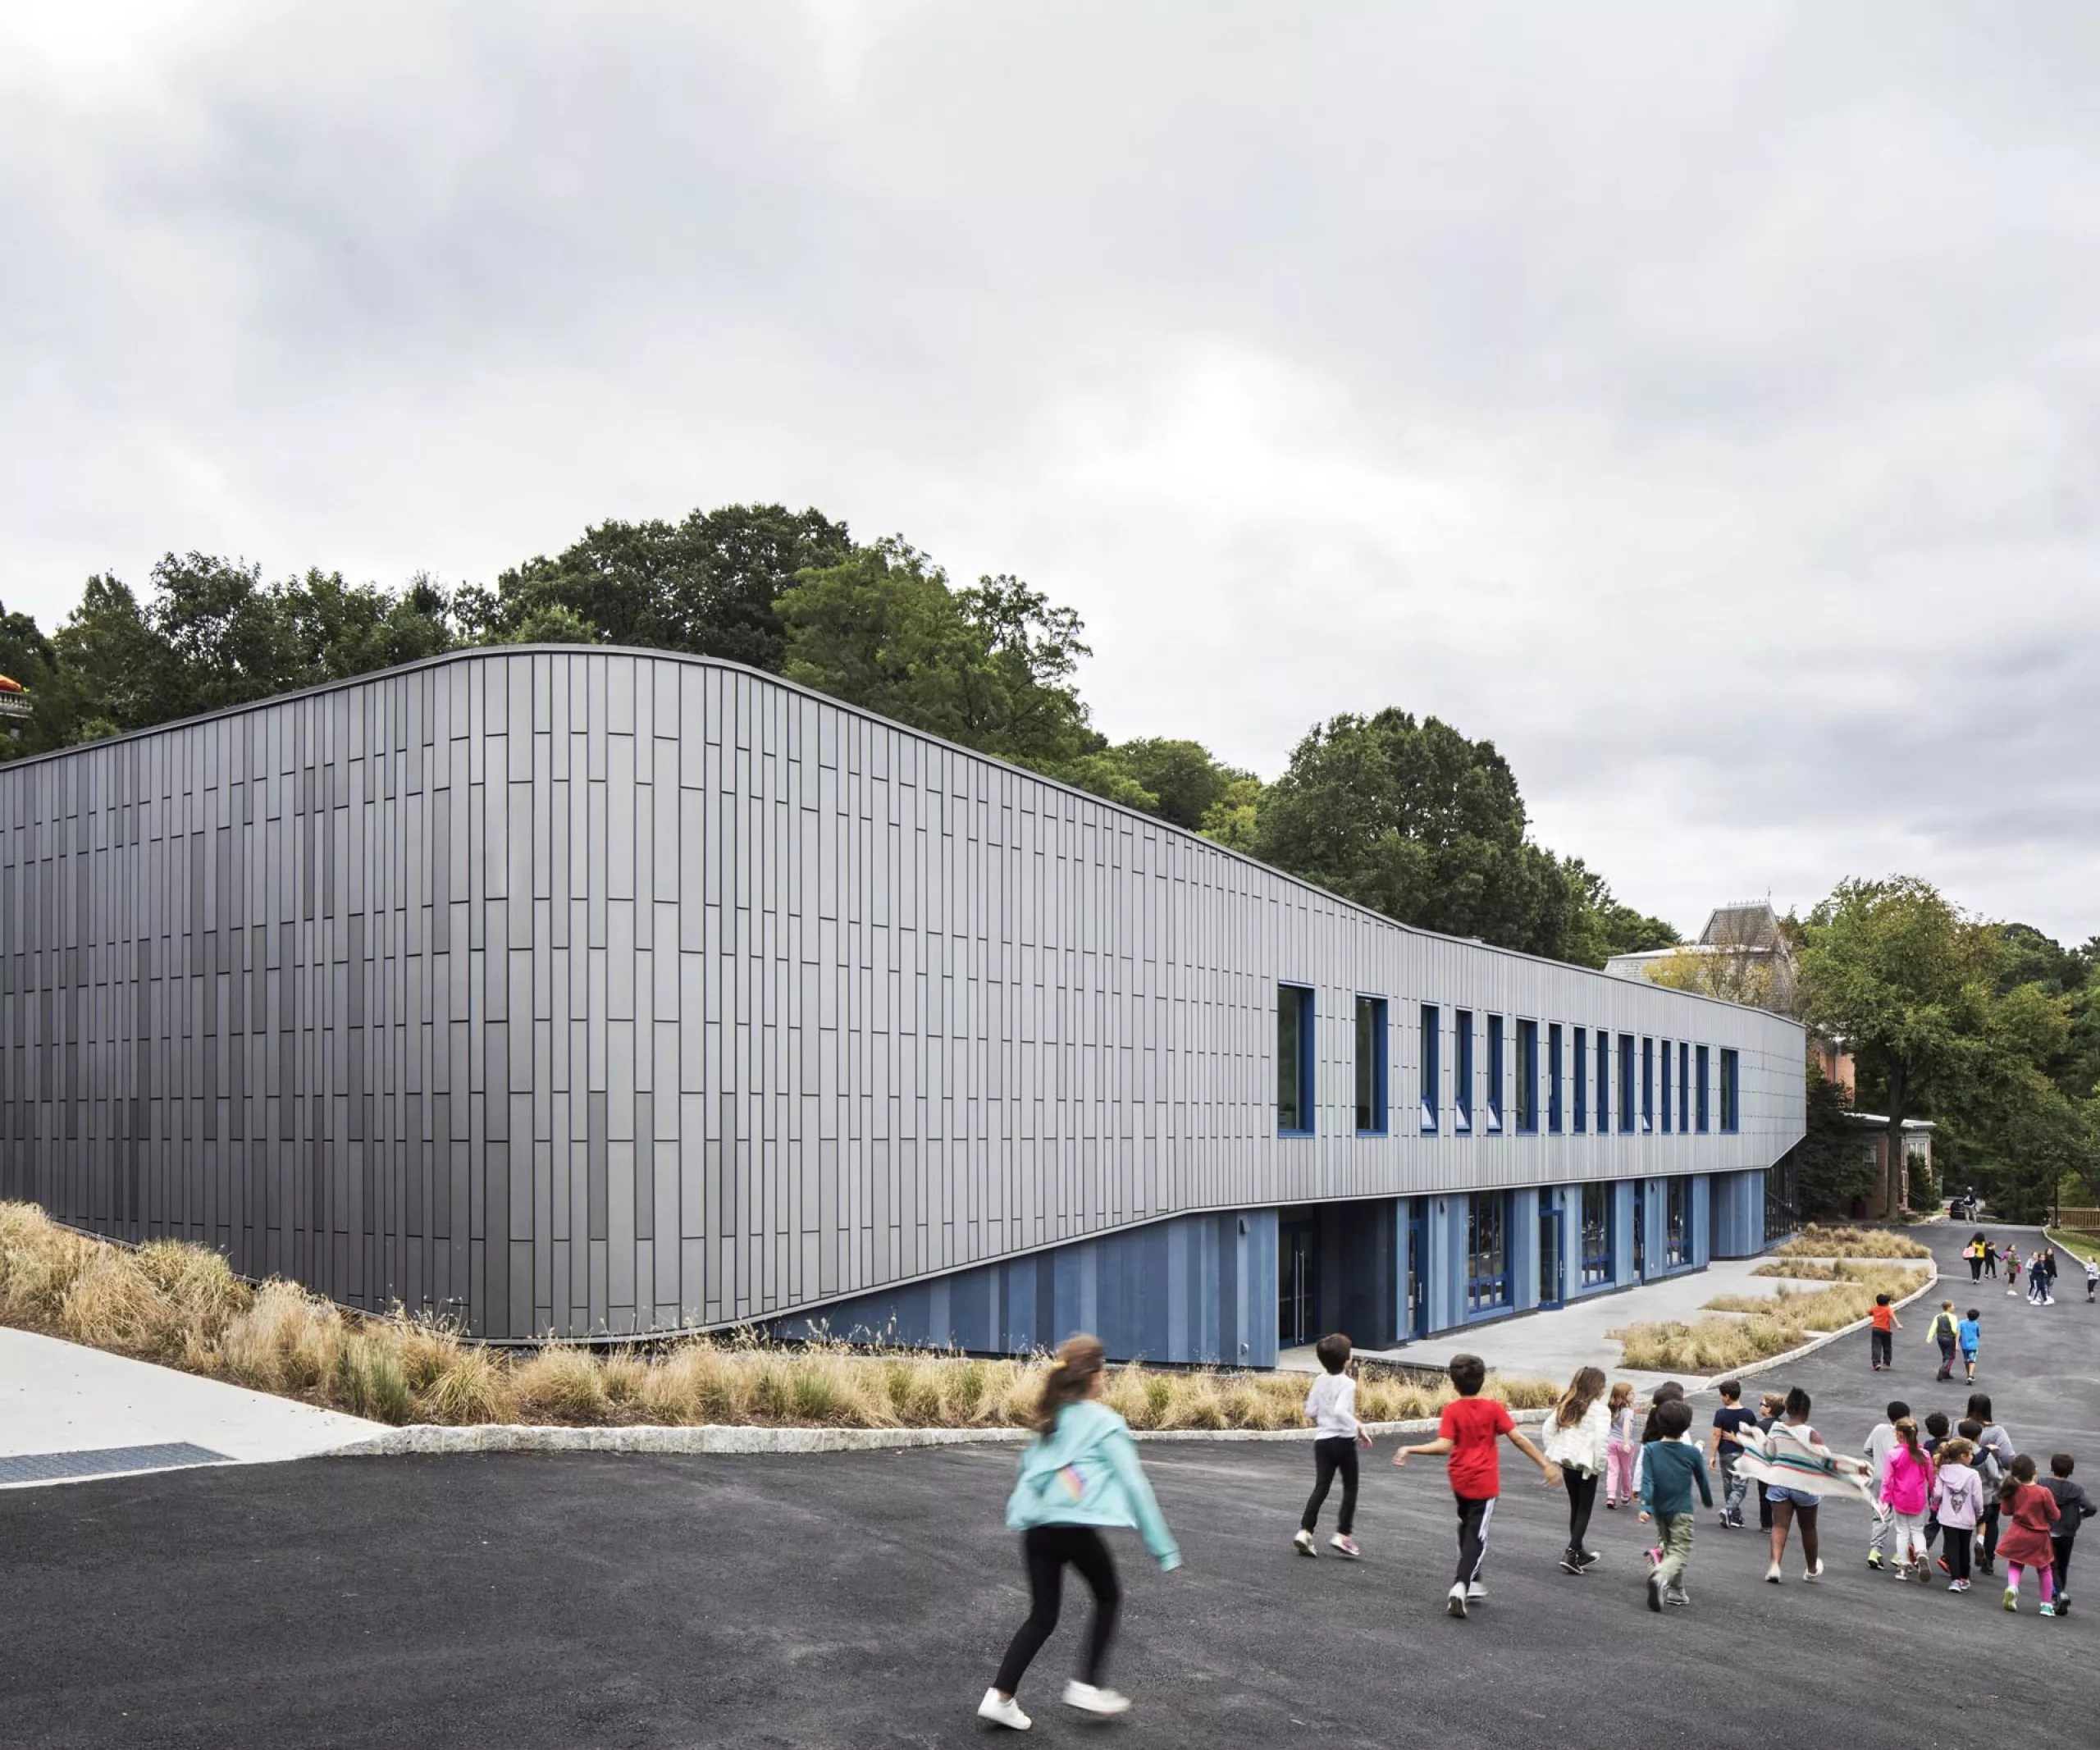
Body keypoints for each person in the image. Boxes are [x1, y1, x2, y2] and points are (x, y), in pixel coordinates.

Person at [980, 1334, 1180, 1731]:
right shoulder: (1105, 1423)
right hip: (1072, 1530)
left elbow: (1027, 1473)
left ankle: (999, 1696)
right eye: (1104, 1370)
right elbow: (1136, 1485)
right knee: (1108, 1595)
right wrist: (1163, 1548)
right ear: (1094, 1376)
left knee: (1042, 1615)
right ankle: (1086, 1684)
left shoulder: (1049, 1420)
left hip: (1037, 1530)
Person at [1392, 1352, 1557, 1619]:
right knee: (1477, 1538)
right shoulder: (1493, 1409)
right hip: (1484, 1483)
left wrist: (1411, 1448)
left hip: (1459, 1480)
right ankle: (1461, 1584)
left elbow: (1444, 1446)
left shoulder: (1452, 1411)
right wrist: (1545, 1464)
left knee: (1466, 1525)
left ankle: (1474, 1579)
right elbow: (1517, 1438)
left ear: (1454, 1384)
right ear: (1482, 1381)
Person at [1294, 1332, 1373, 1559]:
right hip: (1344, 1442)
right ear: (1346, 1360)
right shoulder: (1348, 1383)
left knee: (1321, 1486)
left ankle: (1305, 1531)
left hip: (1323, 1442)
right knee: (1350, 1487)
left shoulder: (1319, 1380)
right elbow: (1340, 1410)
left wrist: (1323, 1421)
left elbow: (1310, 1411)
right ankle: (1342, 1534)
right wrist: (1359, 1425)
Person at [1641, 1398, 1712, 1610]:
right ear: (1686, 1426)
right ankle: (1660, 1575)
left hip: (1660, 1511)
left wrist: (1646, 1505)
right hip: (1682, 1510)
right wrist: (1707, 1500)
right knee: (1680, 1551)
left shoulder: (1651, 1449)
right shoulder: (1692, 1453)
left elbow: (1648, 1480)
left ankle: (1676, 1591)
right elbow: (1702, 1480)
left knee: (1670, 1547)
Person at [1540, 1365, 1610, 1575]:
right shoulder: (1600, 1410)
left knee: (1576, 1506)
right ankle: (1571, 1552)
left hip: (1567, 1461)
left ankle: (1579, 1550)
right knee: (1584, 1509)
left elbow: (1547, 1428)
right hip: (1587, 1464)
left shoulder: (1567, 1403)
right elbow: (1601, 1440)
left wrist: (1555, 1450)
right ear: (1597, 1387)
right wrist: (1600, 1464)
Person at [1759, 1388, 1829, 1583]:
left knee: (1779, 1525)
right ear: (1807, 1411)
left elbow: (1769, 1453)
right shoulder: (1811, 1433)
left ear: (1787, 1409)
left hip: (1780, 1483)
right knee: (1808, 1528)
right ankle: (1812, 1568)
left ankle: (1774, 1566)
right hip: (1804, 1485)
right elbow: (1823, 1459)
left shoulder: (1776, 1429)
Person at [1994, 1455, 2061, 1615]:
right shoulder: (2043, 1492)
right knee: (2044, 1569)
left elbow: (2005, 1511)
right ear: (2034, 1471)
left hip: (2018, 1532)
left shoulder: (2013, 1489)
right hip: (2039, 1536)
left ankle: (2012, 1587)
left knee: (2016, 1563)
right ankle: (2046, 1605)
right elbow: (2055, 1515)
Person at [1965, 1394, 2018, 1576]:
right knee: (1991, 1521)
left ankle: (1953, 1556)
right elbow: (2007, 1459)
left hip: (1962, 1486)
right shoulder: (1997, 1432)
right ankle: (1988, 1559)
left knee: (1960, 1522)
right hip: (1988, 1488)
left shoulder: (1959, 1426)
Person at [1880, 1417, 1934, 1582]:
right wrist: (1933, 1496)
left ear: (1899, 1435)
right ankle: (1921, 1553)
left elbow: (1887, 1480)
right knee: (1918, 1530)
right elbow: (1931, 1479)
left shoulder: (1893, 1454)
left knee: (1902, 1532)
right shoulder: (1924, 1454)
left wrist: (1884, 1500)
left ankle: (1903, 1566)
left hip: (1900, 1499)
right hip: (1918, 1500)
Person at [2043, 1454, 2096, 1616]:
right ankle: (2061, 1593)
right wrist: (2079, 1517)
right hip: (2067, 1531)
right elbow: (2091, 1508)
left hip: (2048, 1528)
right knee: (2063, 1565)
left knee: (2050, 1564)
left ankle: (2058, 1594)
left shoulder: (2043, 1484)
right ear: (2071, 1471)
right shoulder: (2077, 1490)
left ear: (2052, 1468)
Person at [1933, 1437, 1986, 1594]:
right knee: (1964, 1547)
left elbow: (1937, 1493)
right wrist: (1979, 1512)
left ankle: (1955, 1579)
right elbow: (1977, 1498)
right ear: (1963, 1456)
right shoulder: (1972, 1475)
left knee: (1951, 1547)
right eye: (1970, 1454)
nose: (1972, 1457)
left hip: (1948, 1516)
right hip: (1967, 1517)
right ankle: (1965, 1577)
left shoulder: (1942, 1470)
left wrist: (1936, 1503)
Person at [1863, 1400, 1910, 1571]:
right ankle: (1900, 1554)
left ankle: (1875, 1551)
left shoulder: (1879, 1429)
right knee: (1903, 1517)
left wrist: (1878, 1456)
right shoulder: (1906, 1434)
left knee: (1880, 1515)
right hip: (1899, 1482)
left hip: (1879, 1479)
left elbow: (1867, 1448)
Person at [1708, 1378, 1755, 1529]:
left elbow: (1716, 1435)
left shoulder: (1721, 1414)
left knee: (1728, 1484)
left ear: (1727, 1396)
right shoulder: (1748, 1414)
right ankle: (1730, 1512)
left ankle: (1734, 1516)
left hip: (1725, 1453)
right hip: (1743, 1454)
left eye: (1722, 1395)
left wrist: (1712, 1455)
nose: (1721, 1398)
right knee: (1740, 1487)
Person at [1603, 1381, 1639, 1510]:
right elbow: (1626, 1427)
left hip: (1611, 1443)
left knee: (1613, 1470)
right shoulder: (1628, 1412)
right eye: (1631, 1393)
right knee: (1626, 1471)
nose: (1634, 1395)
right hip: (1624, 1444)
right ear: (1624, 1396)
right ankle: (1625, 1494)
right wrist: (1627, 1442)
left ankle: (1611, 1496)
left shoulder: (1611, 1410)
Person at [1755, 1391, 1787, 1532]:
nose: (1760, 1406)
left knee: (1764, 1495)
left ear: (1768, 1409)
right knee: (1779, 1496)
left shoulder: (1760, 1426)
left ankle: (1766, 1524)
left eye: (1762, 1404)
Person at [1927, 1299, 1960, 1382]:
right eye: (1953, 1306)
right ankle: (1943, 1369)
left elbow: (1933, 1327)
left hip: (1940, 1337)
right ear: (1948, 1307)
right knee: (1951, 1357)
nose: (1954, 1308)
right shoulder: (1953, 1317)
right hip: (1949, 1338)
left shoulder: (1938, 1316)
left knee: (1945, 1355)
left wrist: (1930, 1337)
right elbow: (1954, 1329)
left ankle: (1946, 1373)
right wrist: (1958, 1336)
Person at [1869, 1293, 1901, 1370]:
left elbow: (1869, 1313)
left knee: (1876, 1346)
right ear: (1887, 1303)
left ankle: (1876, 1363)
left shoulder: (1875, 1308)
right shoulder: (1888, 1309)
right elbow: (1893, 1316)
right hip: (1886, 1330)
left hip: (1876, 1329)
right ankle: (1886, 1362)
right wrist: (1898, 1324)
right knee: (1887, 1346)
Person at [1956, 1307, 1983, 1384]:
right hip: (1973, 1345)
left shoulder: (1961, 1323)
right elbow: (1978, 1334)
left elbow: (1958, 1333)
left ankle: (1969, 1375)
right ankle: (1970, 1376)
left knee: (1966, 1361)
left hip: (1964, 1345)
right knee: (1972, 1360)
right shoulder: (1976, 1324)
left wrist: (1957, 1343)